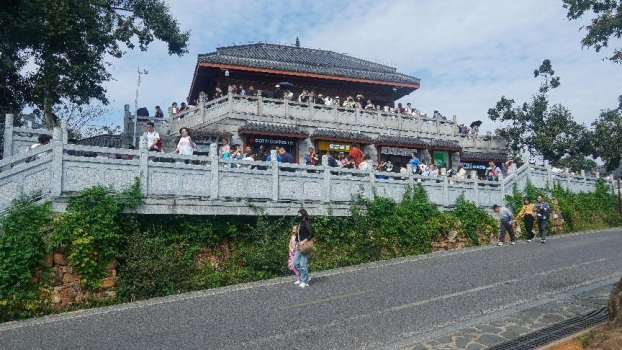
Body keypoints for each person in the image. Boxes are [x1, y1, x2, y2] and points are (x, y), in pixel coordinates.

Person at [294, 209, 314, 288]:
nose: (298, 215)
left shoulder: (306, 223)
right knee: (295, 263)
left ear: (303, 214)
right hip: (298, 245)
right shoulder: (300, 223)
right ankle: (305, 276)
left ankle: (305, 281)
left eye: (299, 214)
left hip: (305, 245)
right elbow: (298, 235)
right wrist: (295, 243)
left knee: (303, 264)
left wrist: (304, 241)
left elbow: (311, 234)